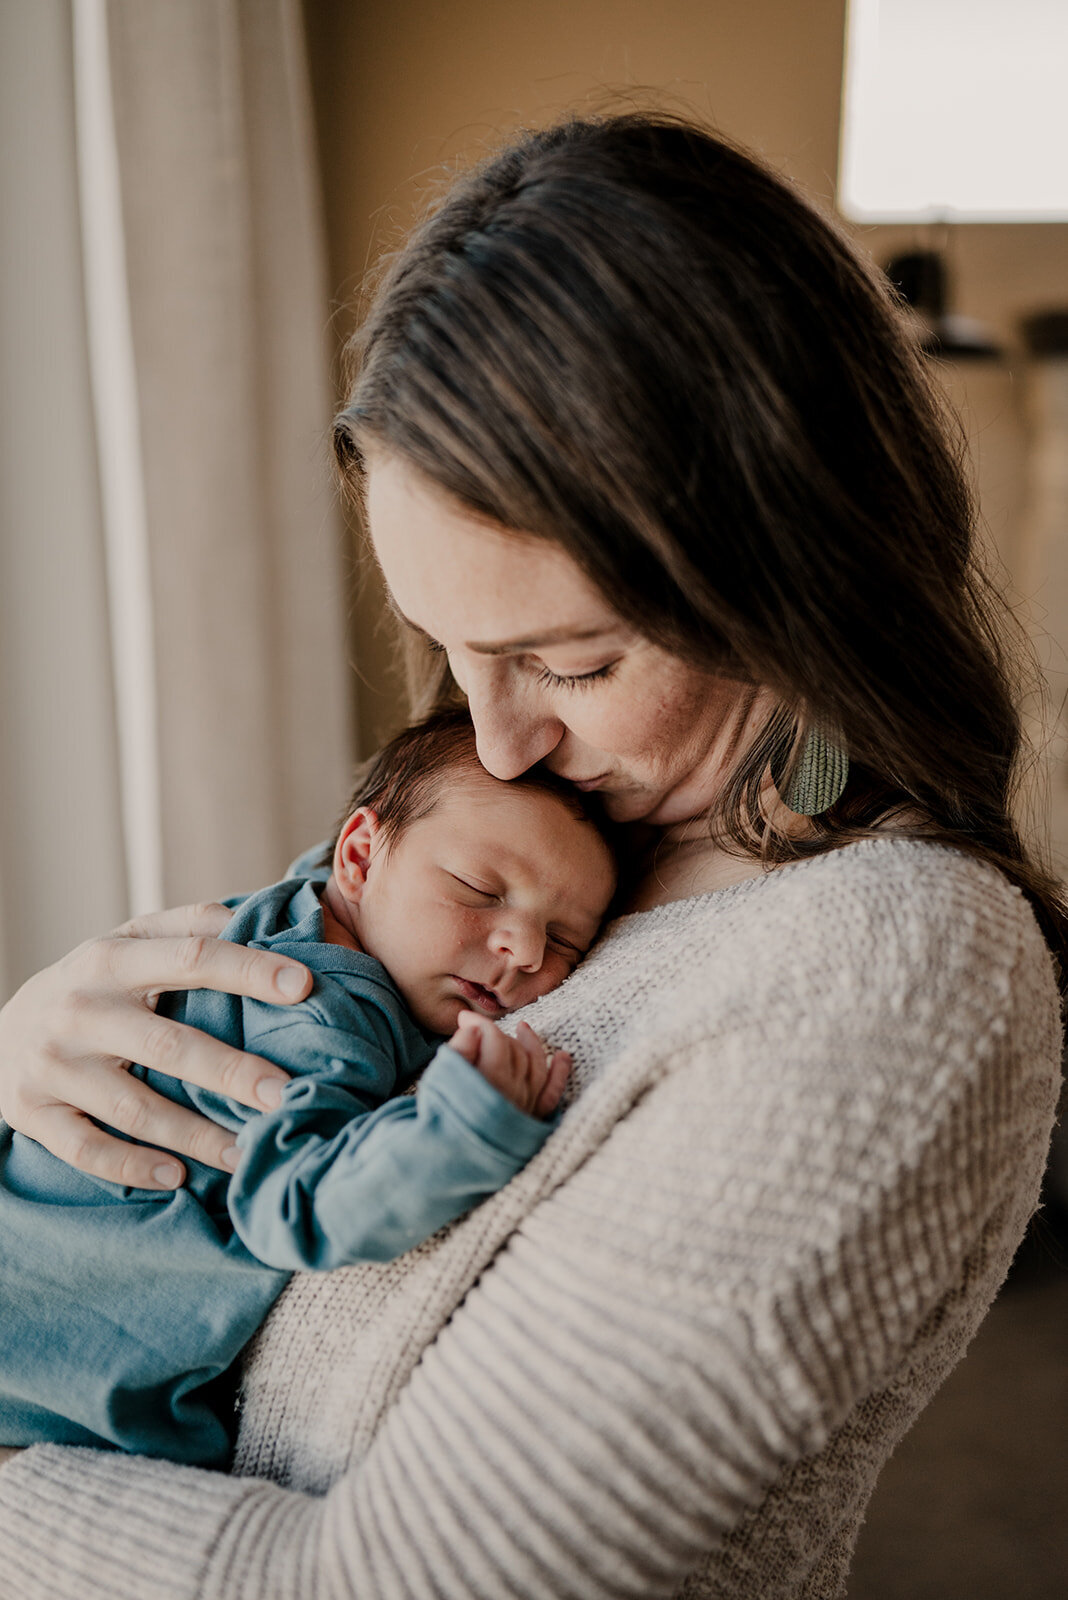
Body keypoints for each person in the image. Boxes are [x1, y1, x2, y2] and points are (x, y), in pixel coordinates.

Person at [0, 112, 1062, 1599]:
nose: (494, 745)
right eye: (449, 648)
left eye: (564, 661)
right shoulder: (578, 831)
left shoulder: (883, 962)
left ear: (788, 569)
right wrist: (48, 1056)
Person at [0, 709, 614, 1465]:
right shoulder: (324, 1010)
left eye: (563, 941)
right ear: (358, 856)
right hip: (33, 1361)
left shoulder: (306, 903)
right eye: (479, 888)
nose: (521, 947)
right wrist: (465, 1127)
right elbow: (296, 1205)